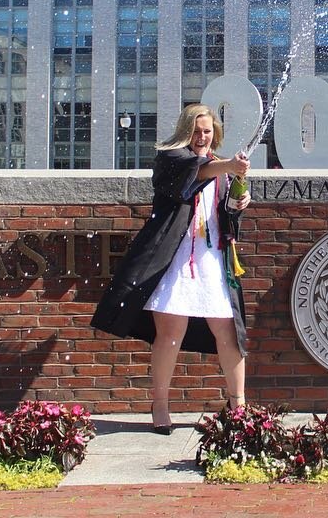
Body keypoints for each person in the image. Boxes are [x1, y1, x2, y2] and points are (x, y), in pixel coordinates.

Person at [90, 104, 251, 434]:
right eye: (196, 131)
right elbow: (196, 172)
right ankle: (160, 405)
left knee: (229, 333)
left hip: (212, 262)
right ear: (185, 131)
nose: (202, 136)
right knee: (170, 334)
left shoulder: (224, 171)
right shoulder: (171, 158)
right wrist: (228, 166)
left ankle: (239, 407)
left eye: (207, 131)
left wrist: (238, 202)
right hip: (174, 261)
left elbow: (225, 215)